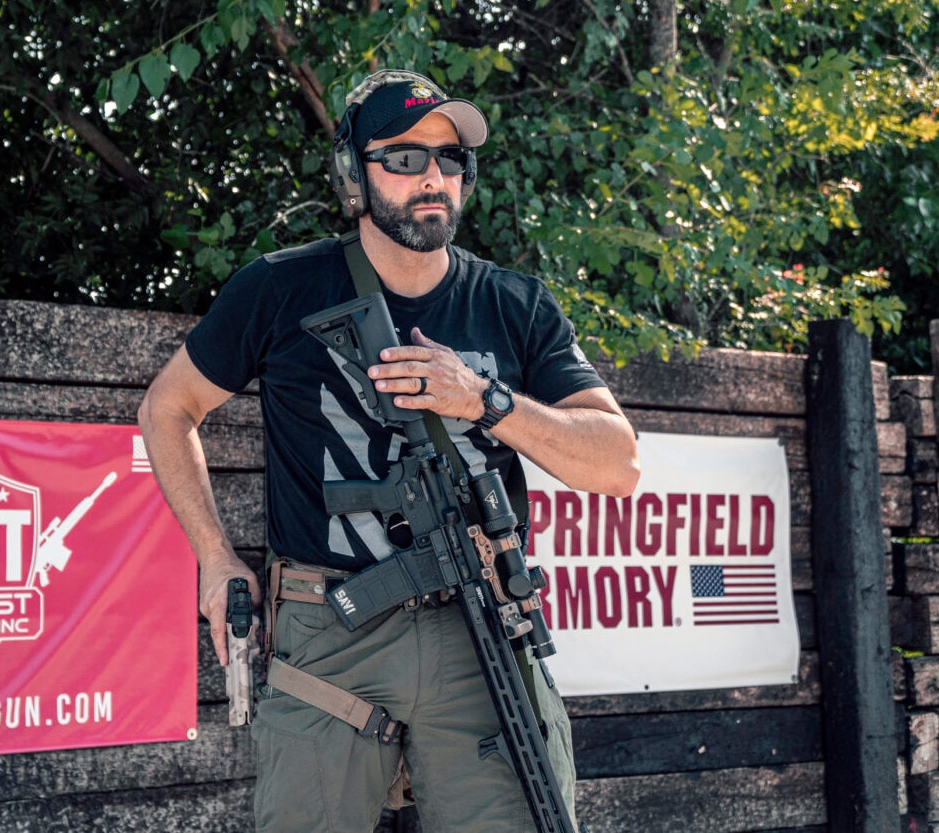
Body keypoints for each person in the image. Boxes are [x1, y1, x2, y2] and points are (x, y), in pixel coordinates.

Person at [138, 69, 640, 832]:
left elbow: (617, 462)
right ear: (353, 173)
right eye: (404, 158)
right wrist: (214, 555)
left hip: (481, 629)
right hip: (329, 632)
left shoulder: (515, 303)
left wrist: (483, 399)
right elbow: (168, 408)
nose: (432, 177)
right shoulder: (279, 289)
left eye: (449, 159)